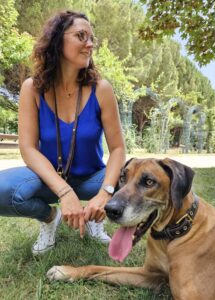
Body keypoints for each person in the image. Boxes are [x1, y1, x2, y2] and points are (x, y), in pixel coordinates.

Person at [0, 10, 125, 255]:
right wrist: (64, 192)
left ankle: (94, 218)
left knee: (133, 179)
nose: (89, 44)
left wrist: (105, 193)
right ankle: (50, 218)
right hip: (49, 179)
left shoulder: (101, 89)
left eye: (92, 39)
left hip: (92, 179)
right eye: (81, 36)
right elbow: (28, 148)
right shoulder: (32, 89)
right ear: (58, 41)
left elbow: (118, 149)